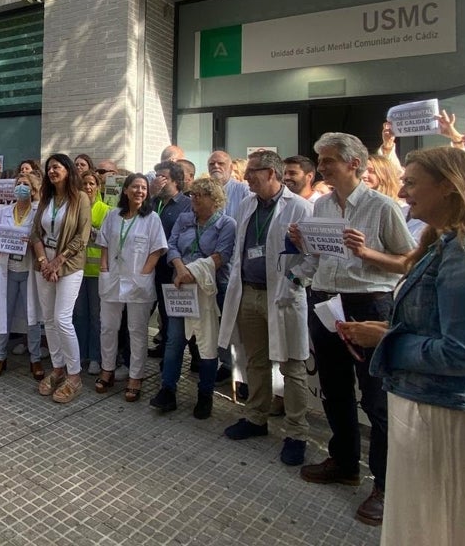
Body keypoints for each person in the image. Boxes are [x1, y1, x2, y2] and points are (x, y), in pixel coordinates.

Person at [339, 147, 465, 546]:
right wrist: (388, 327)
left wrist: (387, 341)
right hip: (439, 406)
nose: (402, 193)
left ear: (448, 187)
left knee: (449, 528)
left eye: (411, 183)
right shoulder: (448, 245)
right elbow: (439, 324)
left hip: (456, 412)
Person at [289, 132, 415, 527]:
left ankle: (385, 484)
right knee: (335, 388)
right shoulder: (322, 204)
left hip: (368, 303)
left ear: (354, 164)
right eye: (320, 160)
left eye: (327, 161)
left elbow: (409, 261)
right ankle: (344, 462)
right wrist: (303, 244)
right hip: (327, 301)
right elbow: (321, 254)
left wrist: (368, 253)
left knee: (376, 398)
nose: (321, 168)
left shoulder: (382, 207)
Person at [218, 150, 314, 465]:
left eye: (253, 173)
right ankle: (256, 418)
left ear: (271, 173)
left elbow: (315, 257)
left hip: (282, 297)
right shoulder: (247, 205)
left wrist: (295, 281)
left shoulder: (300, 208)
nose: (246, 179)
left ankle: (297, 432)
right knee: (255, 360)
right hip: (248, 293)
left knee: (292, 367)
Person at [152, 176, 236, 417]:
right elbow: (173, 245)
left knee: (207, 343)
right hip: (180, 285)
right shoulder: (185, 218)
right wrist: (180, 270)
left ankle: (205, 394)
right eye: (192, 195)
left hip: (210, 289)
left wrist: (194, 273)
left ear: (214, 199)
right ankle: (168, 390)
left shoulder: (226, 224)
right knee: (174, 339)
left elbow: (222, 255)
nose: (194, 199)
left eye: (200, 195)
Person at [97, 173, 167, 403]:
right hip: (113, 279)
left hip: (139, 281)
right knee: (108, 327)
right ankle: (107, 370)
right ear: (125, 190)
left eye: (144, 188)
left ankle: (135, 377)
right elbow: (104, 244)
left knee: (136, 331)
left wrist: (144, 274)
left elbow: (157, 250)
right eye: (135, 187)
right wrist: (105, 269)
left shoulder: (152, 218)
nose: (140, 191)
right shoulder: (112, 215)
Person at [30, 153, 92, 403]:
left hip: (69, 265)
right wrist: (45, 261)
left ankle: (74, 376)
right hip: (44, 265)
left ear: (68, 170)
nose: (52, 171)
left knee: (62, 318)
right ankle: (57, 369)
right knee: (49, 319)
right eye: (49, 168)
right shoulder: (46, 198)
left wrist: (58, 260)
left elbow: (82, 236)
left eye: (57, 167)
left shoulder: (81, 199)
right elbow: (35, 233)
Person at [0, 170, 44, 379]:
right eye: (18, 184)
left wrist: (31, 243)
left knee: (33, 316)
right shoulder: (3, 211)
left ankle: (35, 359)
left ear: (33, 190)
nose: (21, 187)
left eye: (26, 185)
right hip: (8, 269)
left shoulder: (38, 212)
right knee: (4, 313)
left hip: (29, 269)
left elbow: (42, 238)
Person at [149, 160, 193, 358]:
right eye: (156, 176)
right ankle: (162, 348)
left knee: (172, 314)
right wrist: (151, 195)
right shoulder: (154, 202)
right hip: (150, 267)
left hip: (172, 267)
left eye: (163, 177)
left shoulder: (187, 205)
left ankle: (188, 357)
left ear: (176, 180)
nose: (158, 181)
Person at [73, 170, 108, 375]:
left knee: (96, 316)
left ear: (98, 186)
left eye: (92, 184)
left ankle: (95, 356)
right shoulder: (75, 207)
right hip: (77, 269)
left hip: (97, 272)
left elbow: (107, 238)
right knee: (79, 314)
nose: (88, 187)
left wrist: (90, 231)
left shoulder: (106, 210)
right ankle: (80, 354)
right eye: (84, 184)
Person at [364, 154, 426, 242]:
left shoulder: (408, 209)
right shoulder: (360, 206)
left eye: (371, 171)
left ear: (384, 174)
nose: (363, 175)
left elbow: (412, 246)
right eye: (361, 170)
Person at [207, 150, 251, 223]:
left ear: (230, 168)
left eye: (221, 163)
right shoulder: (202, 191)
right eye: (212, 164)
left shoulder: (244, 190)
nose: (216, 166)